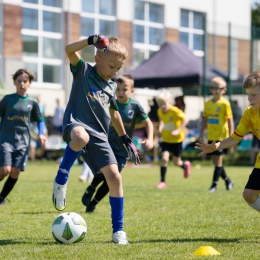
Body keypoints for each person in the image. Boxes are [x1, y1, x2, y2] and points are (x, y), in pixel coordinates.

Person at [52, 34, 141, 245]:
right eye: (112, 66)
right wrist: (90, 40)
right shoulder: (83, 71)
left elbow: (115, 114)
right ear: (98, 59)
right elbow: (68, 50)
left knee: (115, 178)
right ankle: (61, 178)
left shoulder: (111, 87)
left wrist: (125, 138)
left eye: (118, 69)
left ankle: (118, 231)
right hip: (76, 126)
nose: (114, 72)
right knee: (81, 136)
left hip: (101, 137)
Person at [81, 74, 153, 213]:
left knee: (113, 179)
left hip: (123, 150)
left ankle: (93, 203)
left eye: (124, 89)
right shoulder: (109, 102)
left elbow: (148, 122)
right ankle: (91, 188)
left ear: (132, 91)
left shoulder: (135, 106)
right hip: (107, 145)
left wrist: (150, 138)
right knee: (104, 172)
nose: (120, 92)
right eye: (118, 89)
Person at [195, 70, 260, 216]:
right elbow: (234, 138)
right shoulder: (249, 113)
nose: (249, 98)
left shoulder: (225, 104)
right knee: (249, 195)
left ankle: (215, 184)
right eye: (248, 94)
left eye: (253, 95)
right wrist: (215, 146)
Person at [0, 69, 46, 205]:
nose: (22, 84)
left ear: (29, 83)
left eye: (25, 81)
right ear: (14, 82)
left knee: (15, 172)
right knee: (5, 170)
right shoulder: (8, 99)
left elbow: (40, 119)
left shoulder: (32, 102)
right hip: (6, 141)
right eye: (19, 81)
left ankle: (1, 198)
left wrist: (41, 133)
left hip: (23, 143)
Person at [198, 77, 234, 192]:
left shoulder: (225, 103)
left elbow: (230, 120)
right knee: (215, 161)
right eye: (213, 87)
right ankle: (228, 180)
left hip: (221, 137)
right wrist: (201, 133)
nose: (215, 90)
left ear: (224, 90)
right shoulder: (208, 103)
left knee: (218, 161)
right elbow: (205, 120)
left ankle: (213, 186)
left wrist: (232, 136)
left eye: (218, 88)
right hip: (211, 136)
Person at [156, 89, 191, 189]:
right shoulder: (160, 111)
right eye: (160, 104)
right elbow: (161, 119)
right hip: (166, 139)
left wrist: (178, 130)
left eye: (164, 104)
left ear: (170, 102)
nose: (162, 106)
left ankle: (185, 166)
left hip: (177, 140)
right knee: (164, 158)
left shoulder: (175, 111)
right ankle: (162, 182)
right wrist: (160, 128)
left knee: (176, 162)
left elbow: (186, 119)